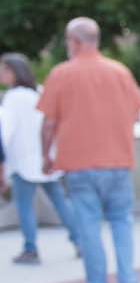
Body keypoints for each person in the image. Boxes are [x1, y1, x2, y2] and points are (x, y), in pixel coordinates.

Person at [37, 18, 140, 283]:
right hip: (118, 161)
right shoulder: (119, 72)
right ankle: (128, 279)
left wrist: (46, 155)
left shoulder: (61, 74)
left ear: (74, 42)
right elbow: (136, 113)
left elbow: (48, 123)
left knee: (89, 227)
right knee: (121, 222)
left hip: (79, 164)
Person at [0, 52, 81, 264]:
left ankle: (30, 248)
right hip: (46, 160)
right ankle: (79, 241)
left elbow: (5, 133)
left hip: (23, 162)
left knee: (25, 206)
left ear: (13, 72)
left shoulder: (13, 98)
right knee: (61, 202)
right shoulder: (40, 92)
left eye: (4, 69)